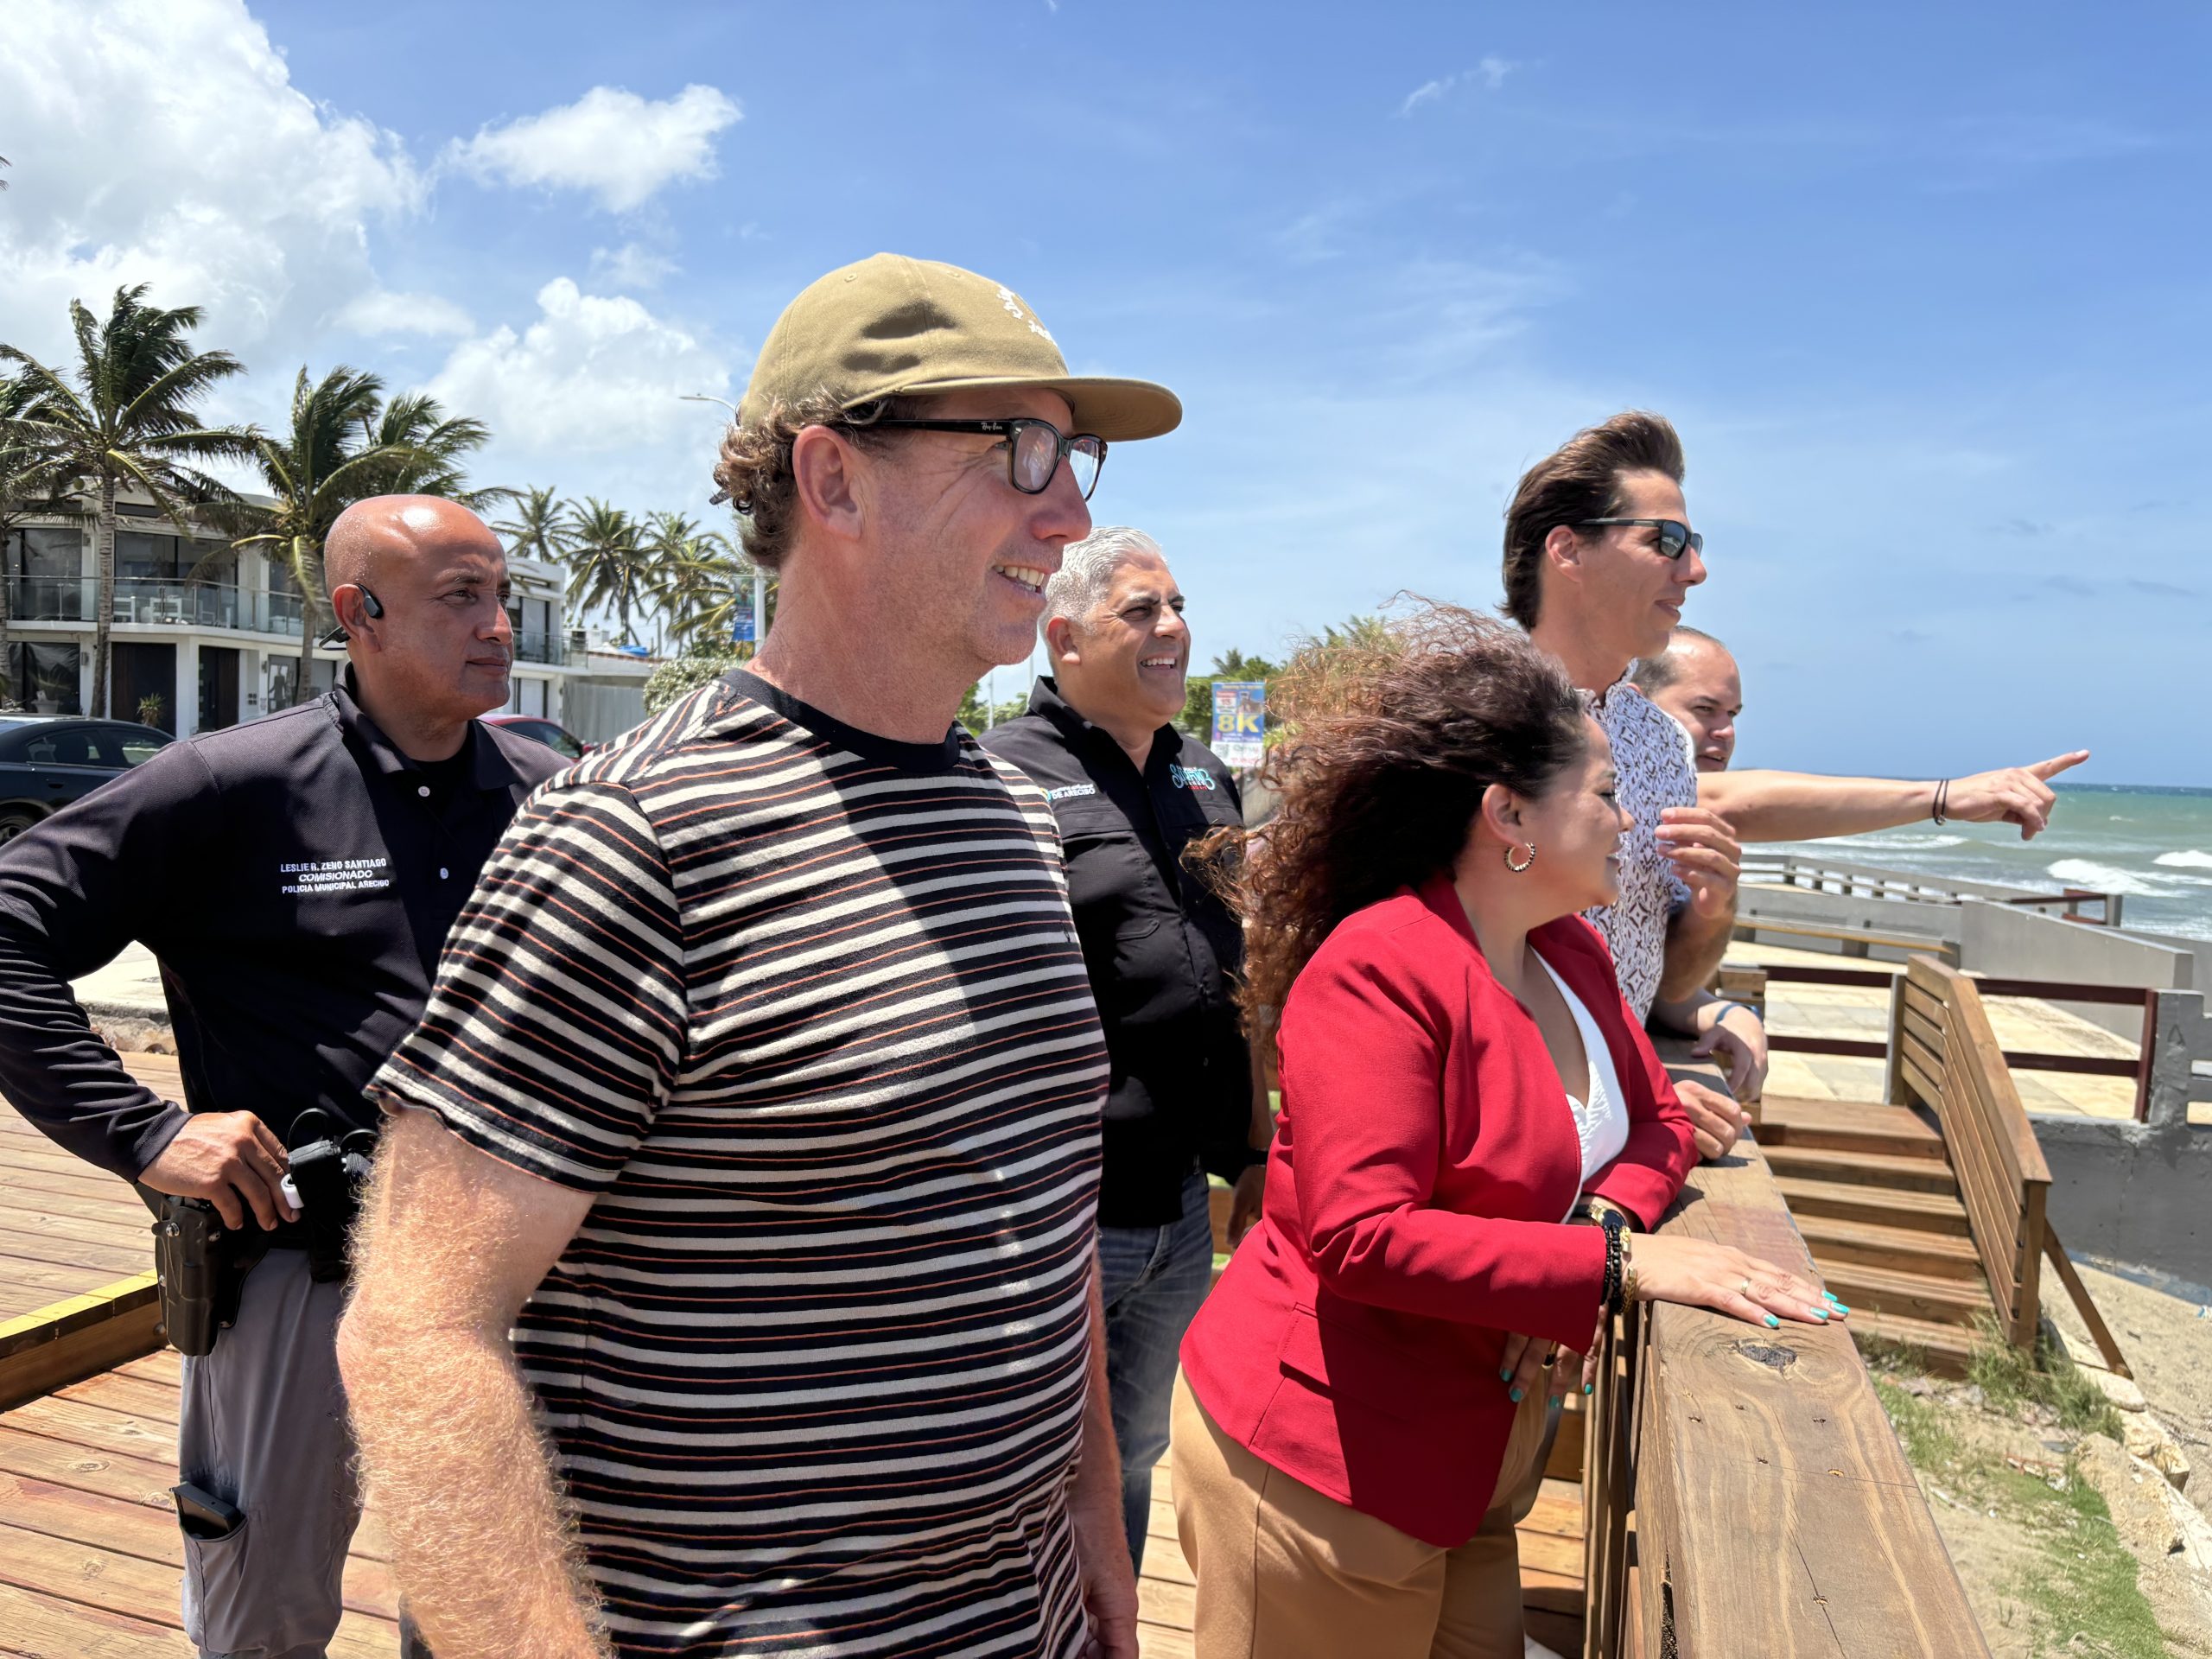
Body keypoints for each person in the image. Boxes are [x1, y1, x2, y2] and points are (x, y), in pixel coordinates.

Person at [336, 254, 1182, 1659]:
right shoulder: (634, 837)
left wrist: (1096, 1527)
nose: (1073, 510)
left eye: (1074, 453)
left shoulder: (1016, 819)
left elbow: (1035, 1223)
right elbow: (415, 1332)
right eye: (1019, 448)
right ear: (834, 479)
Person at [1168, 607, 1840, 1659]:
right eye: (1608, 795)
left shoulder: (1566, 950)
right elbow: (1360, 1235)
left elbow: (1662, 1121)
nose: (1629, 823)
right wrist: (1618, 1265)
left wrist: (1597, 1227)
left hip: (1475, 1454)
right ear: (1508, 816)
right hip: (1326, 1466)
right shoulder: (1381, 965)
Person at [0, 495, 559, 1659]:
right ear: (361, 614)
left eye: (503, 595)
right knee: (264, 1609)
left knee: (480, 1613)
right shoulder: (228, 785)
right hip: (303, 1275)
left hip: (511, 1279)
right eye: (462, 597)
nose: (499, 625)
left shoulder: (549, 791)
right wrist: (140, 1131)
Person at [980, 525, 1271, 1574]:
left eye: (1178, 605)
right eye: (1140, 610)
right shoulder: (1003, 775)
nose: (1174, 629)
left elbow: (1238, 975)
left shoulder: (1202, 776)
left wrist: (1251, 1151)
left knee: (1137, 1452)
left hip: (1182, 1208)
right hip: (1063, 1210)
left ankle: (1112, 1631)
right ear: (1061, 635)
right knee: (1035, 1465)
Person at [1502, 412, 1765, 1135]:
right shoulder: (1474, 720)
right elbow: (1429, 966)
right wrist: (1616, 1093)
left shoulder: (1660, 741)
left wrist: (1714, 910)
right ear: (1568, 550)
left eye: (1693, 544)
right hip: (1504, 1143)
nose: (1695, 569)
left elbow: (1665, 981)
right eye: (1666, 541)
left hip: (1610, 1116)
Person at [1634, 624, 2088, 829]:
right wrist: (1945, 797)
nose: (1726, 732)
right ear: (1633, 707)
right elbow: (1724, 800)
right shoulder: (1612, 786)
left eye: (1732, 714)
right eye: (1705, 709)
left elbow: (1671, 987)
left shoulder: (1688, 833)